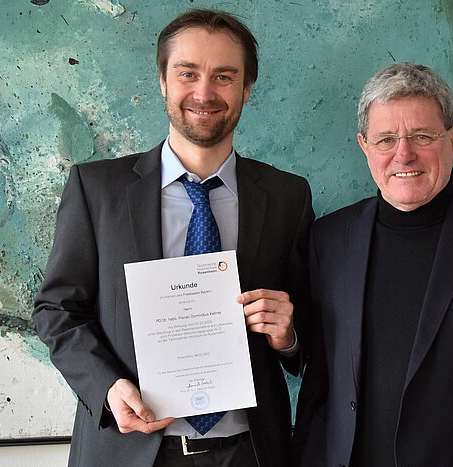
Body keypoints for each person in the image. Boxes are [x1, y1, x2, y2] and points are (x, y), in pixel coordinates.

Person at [33, 9, 313, 467]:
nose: (204, 93)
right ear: (163, 81)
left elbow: (310, 325)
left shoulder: (287, 196)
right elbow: (57, 309)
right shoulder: (97, 189)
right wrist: (107, 387)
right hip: (129, 452)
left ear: (247, 88)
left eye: (224, 76)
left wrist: (290, 336)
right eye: (188, 73)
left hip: (251, 452)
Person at [292, 63, 453, 467]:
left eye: (421, 135)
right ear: (364, 145)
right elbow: (319, 374)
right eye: (386, 139)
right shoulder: (330, 238)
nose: (403, 154)